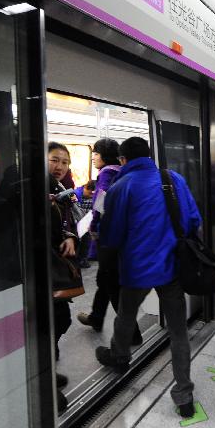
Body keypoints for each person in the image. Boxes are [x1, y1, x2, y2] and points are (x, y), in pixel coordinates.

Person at [94, 137, 200, 418]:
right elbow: (193, 220)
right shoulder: (172, 178)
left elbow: (112, 237)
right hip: (172, 267)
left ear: (124, 160)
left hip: (135, 269)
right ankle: (184, 395)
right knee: (178, 332)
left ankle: (120, 357)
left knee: (126, 316)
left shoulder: (120, 187)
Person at [78, 139, 141, 345]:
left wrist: (94, 225)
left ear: (104, 154)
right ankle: (96, 317)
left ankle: (132, 333)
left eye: (95, 153)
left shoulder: (106, 173)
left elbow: (101, 201)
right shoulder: (122, 171)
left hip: (108, 236)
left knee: (111, 282)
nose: (93, 156)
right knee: (106, 279)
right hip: (122, 234)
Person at [47, 143, 80, 412]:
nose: (60, 167)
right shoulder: (31, 188)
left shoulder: (60, 190)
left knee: (59, 320)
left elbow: (66, 223)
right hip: (38, 268)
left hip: (54, 265)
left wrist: (69, 235)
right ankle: (43, 382)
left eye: (64, 162)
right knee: (50, 323)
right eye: (54, 160)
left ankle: (47, 370)